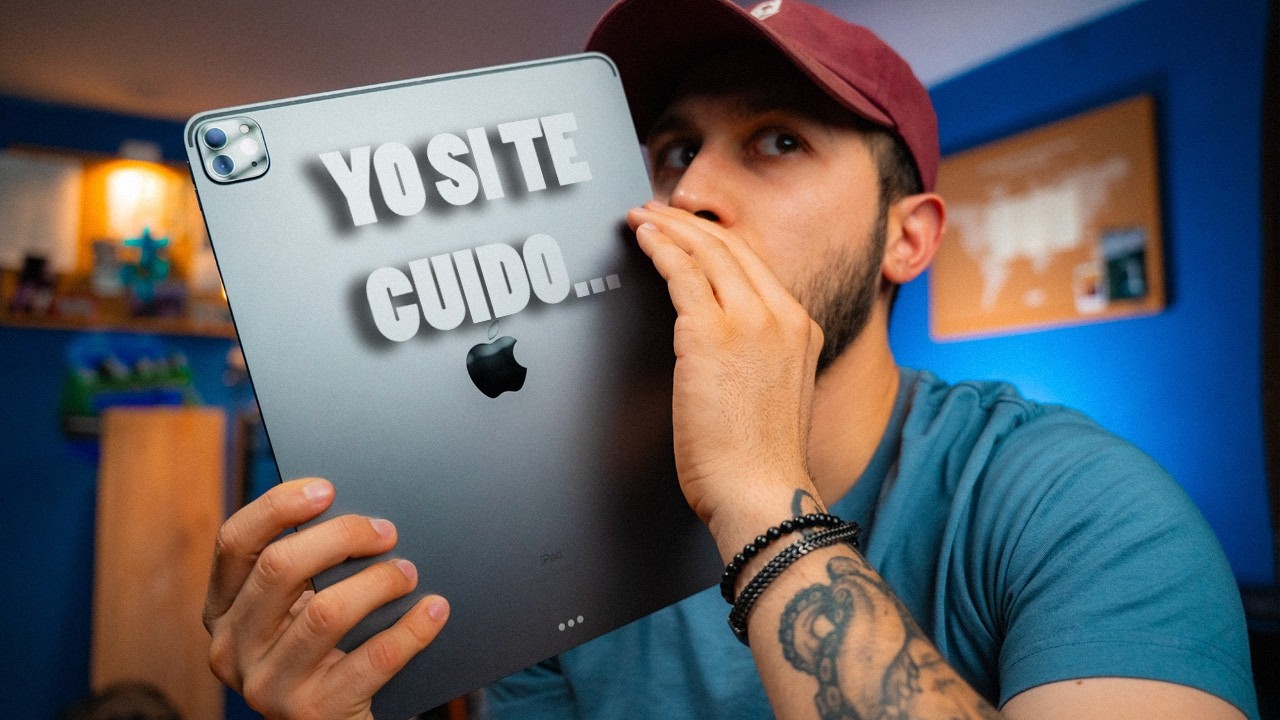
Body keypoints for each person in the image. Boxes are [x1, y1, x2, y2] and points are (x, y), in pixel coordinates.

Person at [201, 0, 1259, 718]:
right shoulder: (564, 552)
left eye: (778, 140)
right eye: (672, 151)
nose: (689, 195)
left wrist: (756, 492)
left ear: (907, 238)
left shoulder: (1079, 506)